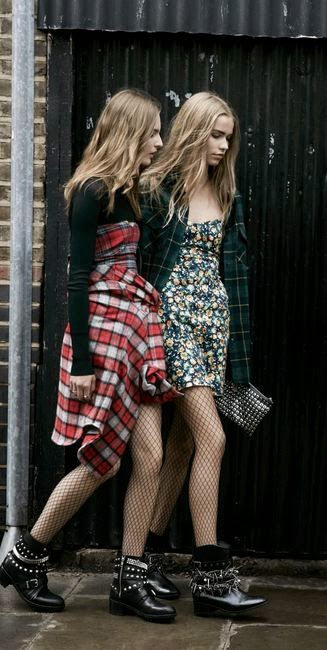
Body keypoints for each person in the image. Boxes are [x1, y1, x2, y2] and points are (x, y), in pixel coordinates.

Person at [0, 89, 181, 622]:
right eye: (152, 131)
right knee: (102, 460)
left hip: (136, 335)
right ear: (129, 131)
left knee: (150, 456)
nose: (159, 141)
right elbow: (77, 279)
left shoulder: (132, 191)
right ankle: (26, 556)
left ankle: (129, 579)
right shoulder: (91, 190)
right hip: (101, 338)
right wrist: (80, 362)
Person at [138, 91, 266, 617]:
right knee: (214, 438)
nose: (222, 145)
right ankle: (211, 577)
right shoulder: (156, 190)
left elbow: (233, 273)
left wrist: (238, 352)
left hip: (214, 325)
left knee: (185, 444)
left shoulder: (226, 191)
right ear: (192, 131)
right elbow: (137, 264)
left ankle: (147, 557)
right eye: (214, 134)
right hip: (171, 324)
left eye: (227, 137)